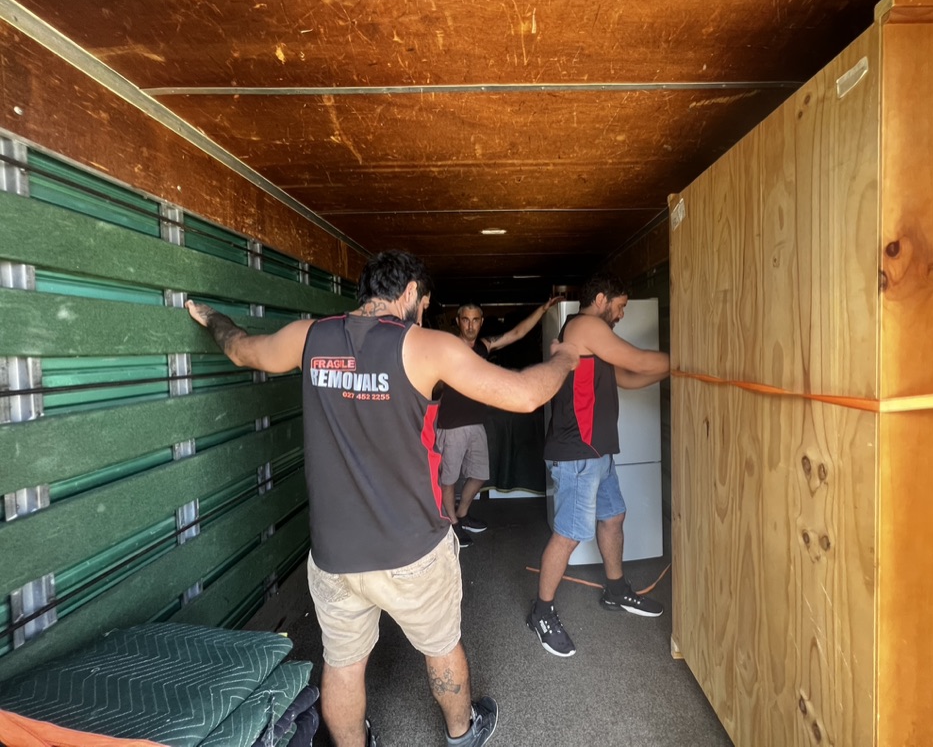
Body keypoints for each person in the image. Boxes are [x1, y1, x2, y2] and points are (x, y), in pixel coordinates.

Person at [186, 250, 578, 747]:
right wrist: (565, 358)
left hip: (334, 555)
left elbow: (241, 349)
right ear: (411, 293)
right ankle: (462, 731)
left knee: (343, 664)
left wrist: (212, 317)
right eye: (426, 301)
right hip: (412, 549)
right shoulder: (425, 346)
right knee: (440, 646)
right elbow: (524, 395)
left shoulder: (310, 337)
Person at [527, 272, 669, 658]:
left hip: (598, 453)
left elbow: (625, 375)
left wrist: (674, 369)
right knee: (570, 534)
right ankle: (541, 612)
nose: (621, 314)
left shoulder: (593, 339)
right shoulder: (586, 325)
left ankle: (616, 589)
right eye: (620, 306)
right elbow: (637, 359)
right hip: (577, 455)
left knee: (613, 517)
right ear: (602, 299)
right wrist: (688, 357)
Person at [437, 298, 563, 547]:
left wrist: (542, 309)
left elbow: (517, 333)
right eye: (465, 319)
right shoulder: (448, 346)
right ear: (458, 322)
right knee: (449, 479)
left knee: (480, 474)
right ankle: (452, 524)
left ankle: (462, 514)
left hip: (476, 423)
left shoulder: (484, 345)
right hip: (451, 425)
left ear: (481, 322)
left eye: (475, 320)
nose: (470, 325)